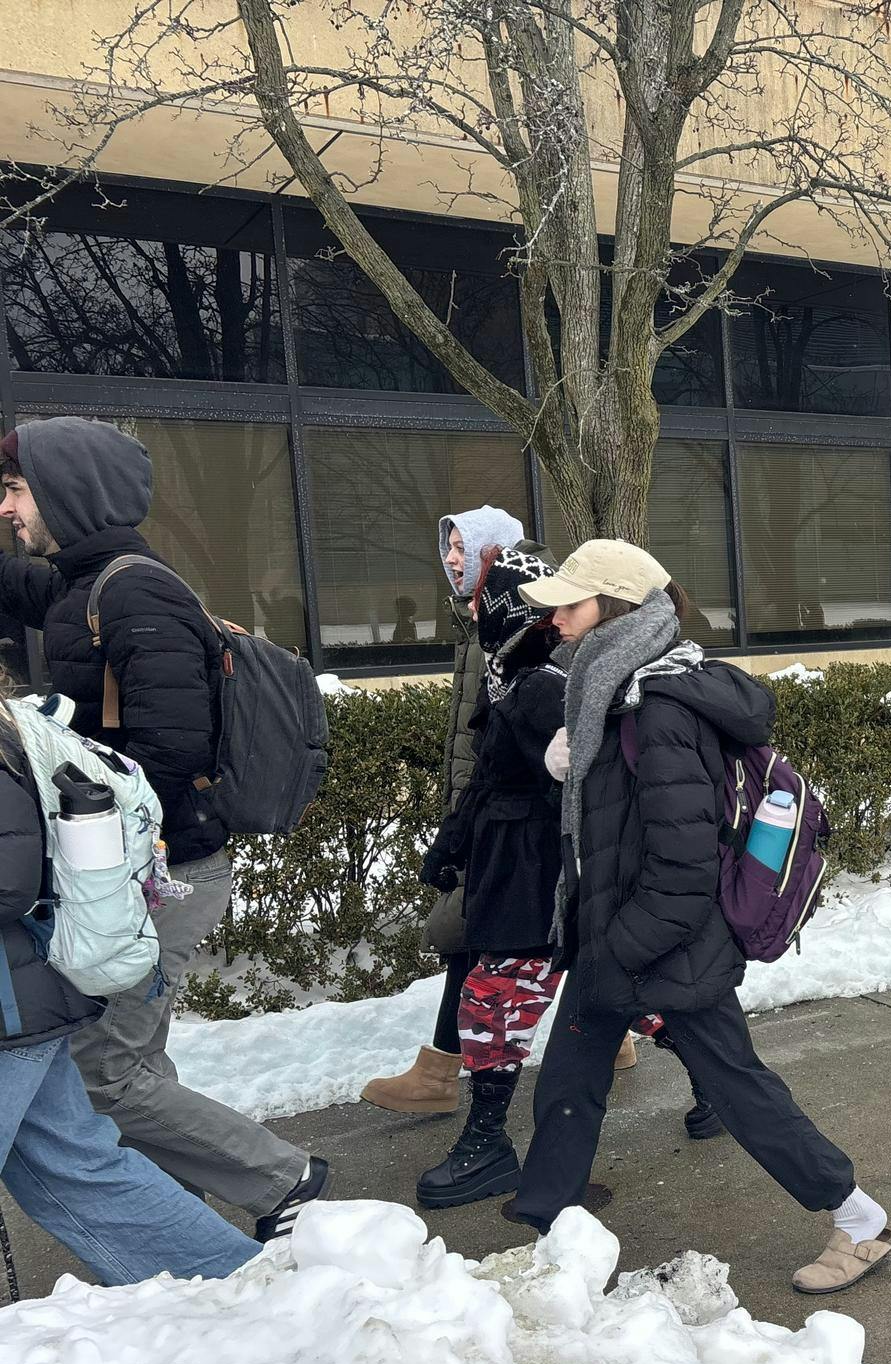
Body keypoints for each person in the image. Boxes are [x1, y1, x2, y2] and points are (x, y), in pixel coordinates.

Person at [505, 540, 891, 1295]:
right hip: (615, 935)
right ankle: (550, 1237)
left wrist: (621, 948)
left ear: (615, 610)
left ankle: (860, 1219)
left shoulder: (660, 711)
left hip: (664, 943)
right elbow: (617, 832)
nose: (555, 619)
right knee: (567, 1089)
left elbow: (683, 871)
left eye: (571, 604)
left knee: (737, 1089)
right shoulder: (610, 694)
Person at [0, 417, 325, 1242]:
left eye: (16, 489)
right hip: (137, 871)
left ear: (67, 492)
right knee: (130, 1059)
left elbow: (169, 752)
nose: (7, 509)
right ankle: (187, 1222)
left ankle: (285, 1180)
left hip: (164, 875)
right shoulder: (81, 587)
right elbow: (14, 584)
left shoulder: (133, 594)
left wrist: (76, 811)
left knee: (107, 1069)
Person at [362, 508, 637, 1117]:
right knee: (522, 951)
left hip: (521, 837)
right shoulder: (483, 626)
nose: (452, 558)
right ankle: (613, 1041)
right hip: (491, 819)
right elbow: (480, 739)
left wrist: (481, 819)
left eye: (464, 548)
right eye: (449, 547)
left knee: (489, 954)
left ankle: (453, 1090)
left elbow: (557, 749)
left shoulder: (526, 622)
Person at [0, 692, 261, 1285]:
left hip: (12, 1007)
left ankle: (271, 1214)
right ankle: (239, 1288)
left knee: (91, 1143)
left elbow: (10, 878)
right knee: (80, 1167)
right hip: (23, 1003)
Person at [411, 545, 576, 1207]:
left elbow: (577, 785)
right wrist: (451, 844)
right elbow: (487, 777)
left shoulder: (543, 686)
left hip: (536, 874)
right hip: (510, 865)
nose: (473, 609)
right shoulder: (512, 676)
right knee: (637, 997)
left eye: (484, 600)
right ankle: (719, 1088)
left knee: (491, 1001)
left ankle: (486, 1144)